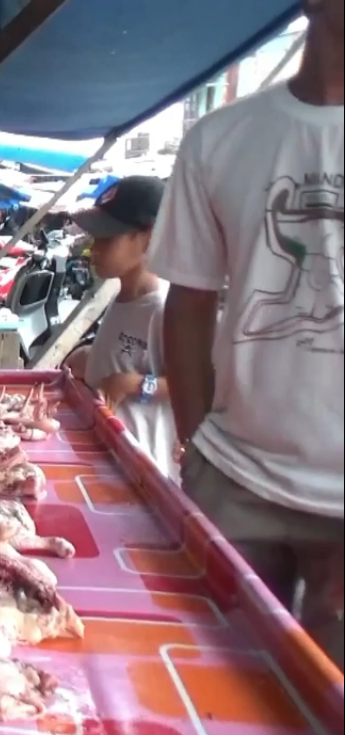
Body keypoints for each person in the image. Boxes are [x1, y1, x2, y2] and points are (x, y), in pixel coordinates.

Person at [150, 0, 343, 668]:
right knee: (213, 690)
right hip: (233, 481)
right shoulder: (220, 138)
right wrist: (195, 444)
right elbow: (190, 301)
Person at [61, 176, 177, 477]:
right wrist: (92, 356)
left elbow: (199, 386)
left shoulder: (164, 309)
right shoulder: (122, 297)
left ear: (149, 238)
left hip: (143, 472)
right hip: (109, 458)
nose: (93, 249)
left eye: (106, 238)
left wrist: (136, 384)